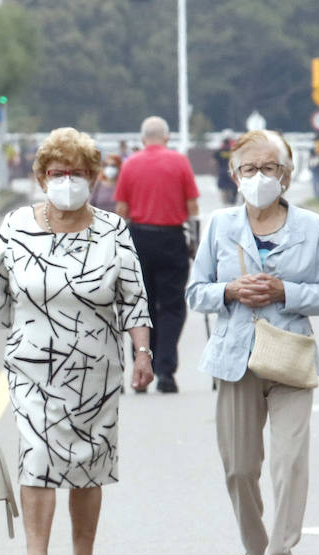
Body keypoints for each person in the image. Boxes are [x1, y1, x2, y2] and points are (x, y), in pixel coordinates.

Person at [0, 127, 153, 555]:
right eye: (57, 172)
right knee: (40, 457)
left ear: (94, 177)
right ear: (42, 177)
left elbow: (133, 297)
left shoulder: (112, 230)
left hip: (96, 368)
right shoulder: (16, 227)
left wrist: (143, 353)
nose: (67, 180)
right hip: (32, 365)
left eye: (77, 173)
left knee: (89, 464)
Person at [186, 130, 319, 555]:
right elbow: (196, 292)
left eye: (269, 168)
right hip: (236, 358)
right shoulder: (218, 225)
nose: (259, 177)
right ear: (235, 176)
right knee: (239, 466)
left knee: (289, 461)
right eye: (249, 169)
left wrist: (285, 292)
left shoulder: (311, 227)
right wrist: (230, 291)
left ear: (286, 176)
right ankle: (257, 552)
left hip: (290, 355)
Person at [115, 115, 199, 394]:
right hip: (172, 238)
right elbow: (192, 206)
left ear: (142, 140)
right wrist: (195, 241)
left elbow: (121, 211)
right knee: (172, 306)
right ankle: (165, 370)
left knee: (141, 305)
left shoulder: (130, 164)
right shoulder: (180, 162)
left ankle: (140, 368)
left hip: (139, 238)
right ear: (166, 138)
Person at [216, 132, 238, 206]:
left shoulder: (220, 151)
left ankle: (225, 204)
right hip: (232, 172)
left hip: (222, 172)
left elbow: (214, 161)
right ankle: (232, 202)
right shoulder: (233, 151)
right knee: (234, 188)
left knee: (223, 189)